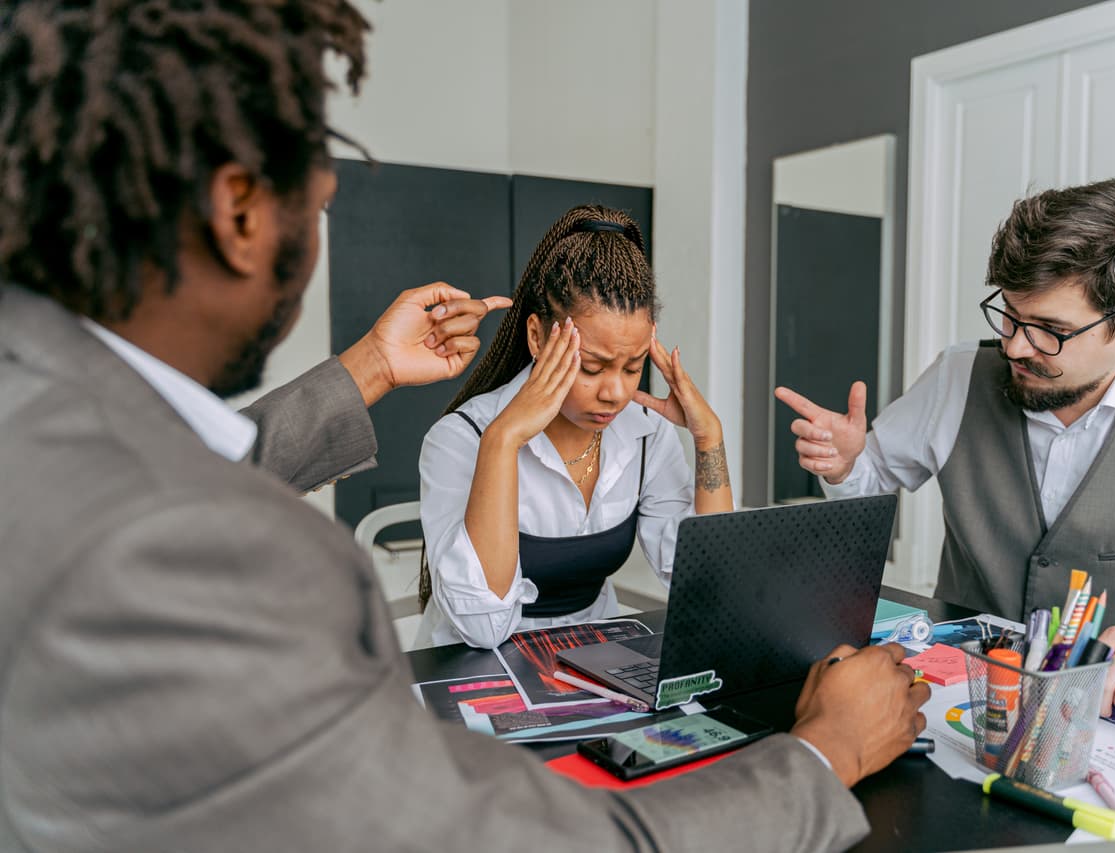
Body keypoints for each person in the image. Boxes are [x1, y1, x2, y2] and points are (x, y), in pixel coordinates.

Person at [0, 3, 929, 850]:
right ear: (242, 210)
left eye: (628, 365)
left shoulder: (42, 422)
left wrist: (369, 362)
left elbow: (183, 460)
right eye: (321, 204)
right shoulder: (192, 557)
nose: (612, 389)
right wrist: (824, 754)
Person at [778, 177, 1115, 720]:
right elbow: (872, 476)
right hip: (950, 700)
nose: (1016, 346)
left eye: (1049, 330)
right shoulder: (957, 377)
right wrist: (851, 462)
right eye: (1011, 315)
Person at [414, 205, 731, 649]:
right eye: (592, 367)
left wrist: (708, 439)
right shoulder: (460, 438)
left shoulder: (645, 436)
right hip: (477, 666)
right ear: (538, 338)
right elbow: (482, 629)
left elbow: (709, 584)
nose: (614, 393)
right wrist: (503, 441)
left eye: (633, 367)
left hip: (592, 658)